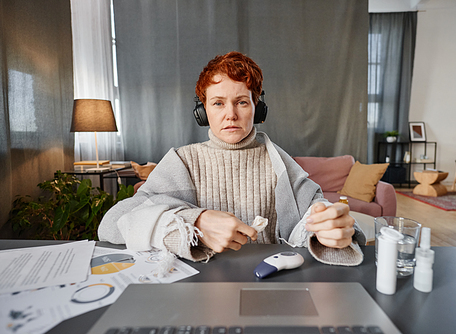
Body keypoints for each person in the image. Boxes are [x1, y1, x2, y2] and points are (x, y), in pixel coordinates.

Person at [98, 51, 365, 267]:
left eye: (242, 102)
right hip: (198, 288)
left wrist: (329, 230)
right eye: (217, 103)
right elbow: (112, 225)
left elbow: (313, 221)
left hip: (272, 282)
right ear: (202, 112)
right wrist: (195, 222)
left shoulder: (279, 161)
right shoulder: (182, 161)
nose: (231, 115)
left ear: (257, 109)